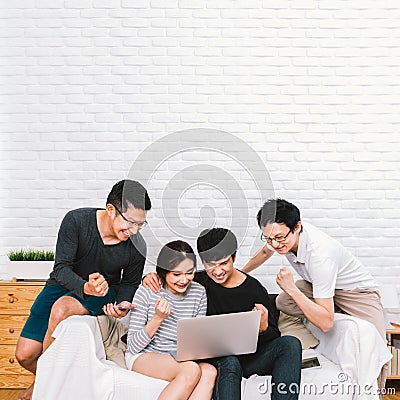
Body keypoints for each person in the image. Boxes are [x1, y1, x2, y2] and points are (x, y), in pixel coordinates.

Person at [15, 179, 151, 400]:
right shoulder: (76, 221)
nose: (134, 230)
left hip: (104, 292)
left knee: (63, 307)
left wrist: (123, 305)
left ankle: (42, 391)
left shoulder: (137, 245)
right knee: (24, 355)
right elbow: (61, 268)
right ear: (111, 210)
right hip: (62, 285)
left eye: (140, 224)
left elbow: (129, 283)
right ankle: (43, 382)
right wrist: (84, 286)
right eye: (130, 222)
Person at [144, 228, 302, 400]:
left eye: (224, 263)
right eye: (211, 264)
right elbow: (172, 278)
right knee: (229, 360)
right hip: (216, 360)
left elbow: (273, 336)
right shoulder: (195, 282)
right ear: (203, 263)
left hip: (251, 359)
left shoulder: (254, 289)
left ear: (234, 258)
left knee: (290, 344)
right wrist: (152, 276)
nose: (218, 271)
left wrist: (263, 328)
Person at [242, 198, 385, 339]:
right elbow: (265, 252)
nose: (275, 244)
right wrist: (239, 273)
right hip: (316, 284)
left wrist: (291, 288)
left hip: (355, 292)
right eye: (268, 238)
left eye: (279, 238)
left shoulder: (320, 255)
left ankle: (327, 311)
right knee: (283, 302)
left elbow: (327, 325)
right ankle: (327, 309)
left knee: (377, 345)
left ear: (297, 227)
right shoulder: (278, 236)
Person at [126, 240, 216, 400]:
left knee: (210, 371)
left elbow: (196, 340)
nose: (184, 280)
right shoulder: (148, 290)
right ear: (164, 271)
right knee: (191, 370)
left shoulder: (199, 292)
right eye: (176, 274)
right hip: (145, 354)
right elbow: (133, 346)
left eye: (189, 272)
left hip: (180, 356)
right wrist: (158, 318)